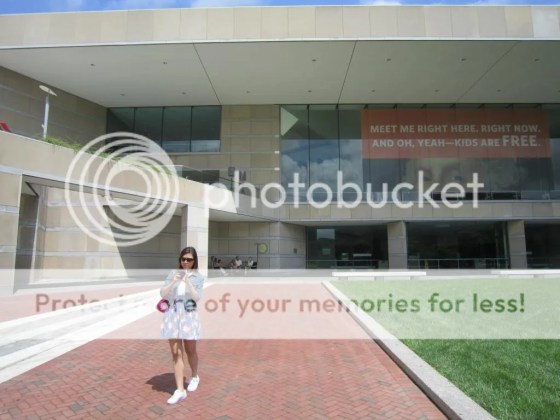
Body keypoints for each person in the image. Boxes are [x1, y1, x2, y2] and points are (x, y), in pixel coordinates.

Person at [160, 246, 205, 405]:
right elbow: (163, 293)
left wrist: (187, 281)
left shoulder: (198, 277)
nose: (185, 262)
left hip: (188, 315)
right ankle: (180, 390)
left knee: (190, 350)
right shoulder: (173, 273)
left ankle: (194, 376)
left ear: (194, 261)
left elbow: (196, 297)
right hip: (173, 315)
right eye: (183, 259)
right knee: (176, 352)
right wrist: (174, 280)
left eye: (189, 259)